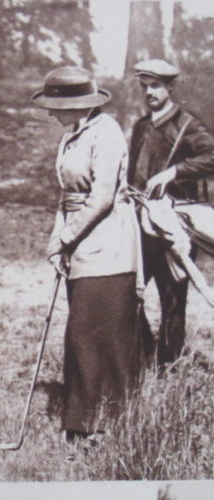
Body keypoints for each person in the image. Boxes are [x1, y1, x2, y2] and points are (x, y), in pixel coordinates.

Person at [33, 66, 142, 441]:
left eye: (55, 106)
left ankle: (111, 423)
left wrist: (67, 236)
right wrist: (55, 240)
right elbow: (67, 196)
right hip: (79, 239)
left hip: (108, 241)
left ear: (78, 104)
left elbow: (101, 199)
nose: (50, 113)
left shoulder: (107, 133)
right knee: (80, 333)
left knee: (101, 331)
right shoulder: (71, 136)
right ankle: (81, 421)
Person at [128, 59, 214, 368]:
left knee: (173, 301)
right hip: (139, 223)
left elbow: (212, 156)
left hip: (173, 227)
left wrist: (175, 172)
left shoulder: (188, 125)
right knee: (128, 296)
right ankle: (145, 357)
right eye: (144, 86)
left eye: (155, 86)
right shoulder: (140, 125)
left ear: (169, 88)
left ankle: (169, 370)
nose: (149, 92)